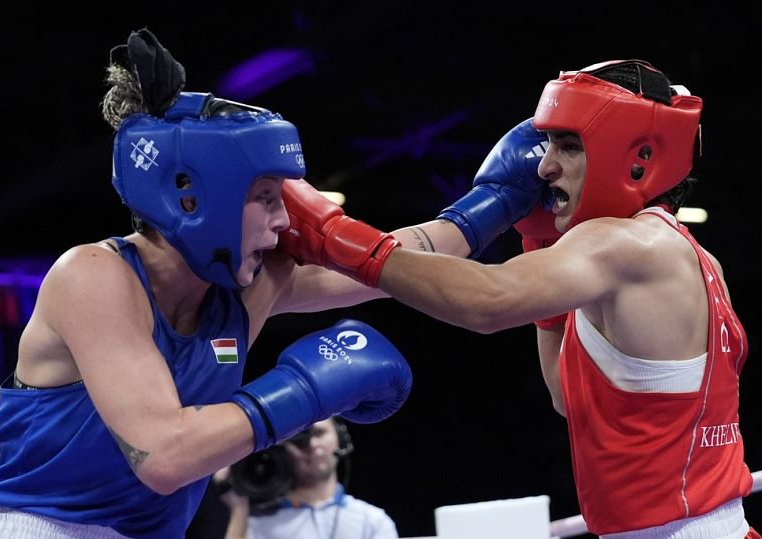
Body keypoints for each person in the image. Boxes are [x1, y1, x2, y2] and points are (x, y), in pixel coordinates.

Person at [277, 60, 759, 537]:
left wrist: (337, 236)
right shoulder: (694, 259)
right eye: (549, 144)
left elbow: (487, 302)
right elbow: (570, 398)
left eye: (568, 146)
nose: (546, 167)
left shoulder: (623, 245)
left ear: (637, 156)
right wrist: (541, 246)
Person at [0, 28, 423, 539]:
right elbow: (164, 456)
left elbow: (398, 265)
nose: (284, 220)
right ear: (191, 197)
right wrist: (308, 389)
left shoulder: (245, 289)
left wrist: (491, 205)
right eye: (267, 197)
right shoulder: (93, 276)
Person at [216, 417, 398, 539]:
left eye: (319, 433)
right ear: (283, 448)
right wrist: (238, 507)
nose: (312, 444)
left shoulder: (371, 520)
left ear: (340, 439)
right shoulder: (257, 523)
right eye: (299, 439)